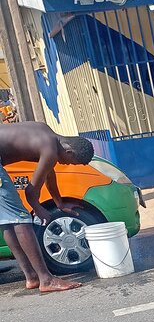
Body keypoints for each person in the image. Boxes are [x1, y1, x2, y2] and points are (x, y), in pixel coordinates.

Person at [0, 123, 94, 293]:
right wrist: (37, 208)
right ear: (69, 152)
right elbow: (30, 191)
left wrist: (59, 203)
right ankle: (46, 279)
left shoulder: (46, 134)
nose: (67, 165)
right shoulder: (50, 150)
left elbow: (49, 175)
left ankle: (32, 277)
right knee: (20, 218)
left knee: (8, 221)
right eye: (72, 163)